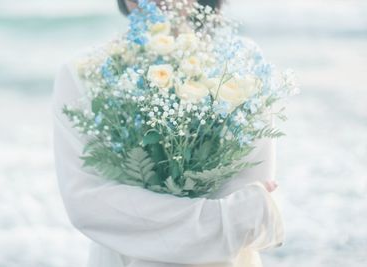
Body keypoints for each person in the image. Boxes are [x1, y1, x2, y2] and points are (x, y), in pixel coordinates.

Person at [52, 0, 284, 266]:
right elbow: (89, 206)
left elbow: (250, 195)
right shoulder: (82, 71)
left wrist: (246, 213)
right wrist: (232, 216)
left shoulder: (243, 61)